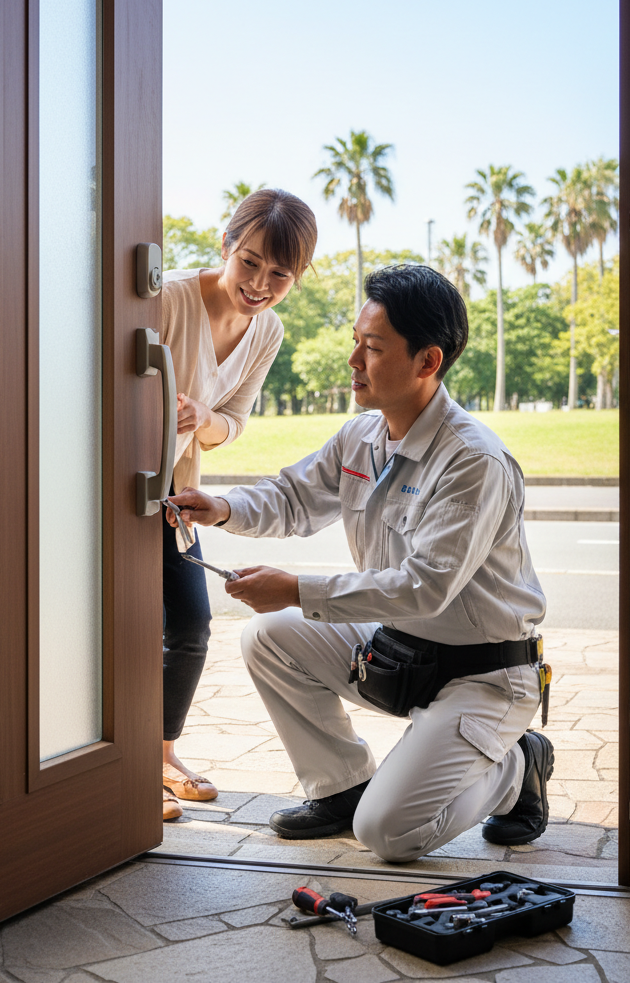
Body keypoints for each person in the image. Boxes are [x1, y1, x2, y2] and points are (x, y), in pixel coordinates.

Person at [167, 263, 553, 862]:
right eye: (356, 341)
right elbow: (293, 498)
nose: (353, 361)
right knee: (268, 635)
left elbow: (424, 588)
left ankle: (517, 767)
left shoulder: (473, 461)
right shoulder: (362, 437)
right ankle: (343, 786)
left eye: (372, 348)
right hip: (399, 649)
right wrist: (216, 507)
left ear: (428, 362)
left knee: (390, 835)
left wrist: (297, 588)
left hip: (482, 673)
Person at [159, 189, 318, 822]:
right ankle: (119, 767)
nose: (260, 283)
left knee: (190, 626)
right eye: (249, 262)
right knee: (118, 628)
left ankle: (159, 755)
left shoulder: (268, 330)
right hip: (114, 486)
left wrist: (202, 419)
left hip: (174, 491)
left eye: (280, 274)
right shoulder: (166, 299)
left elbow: (234, 421)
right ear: (226, 246)